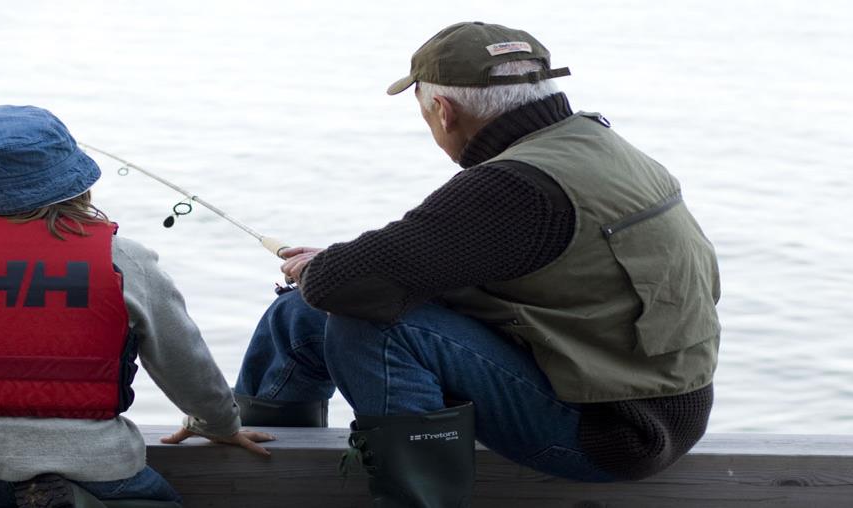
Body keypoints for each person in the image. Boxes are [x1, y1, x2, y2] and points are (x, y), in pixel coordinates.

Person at [233, 22, 721, 507]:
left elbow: (343, 284)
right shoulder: (593, 144)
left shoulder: (515, 186)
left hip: (611, 434)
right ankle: (255, 455)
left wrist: (326, 268)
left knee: (368, 325)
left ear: (443, 111)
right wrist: (338, 272)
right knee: (300, 314)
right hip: (651, 405)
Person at [0, 105, 273, 508]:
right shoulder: (123, 260)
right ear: (75, 185)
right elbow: (182, 355)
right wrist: (215, 422)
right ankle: (78, 501)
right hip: (90, 460)